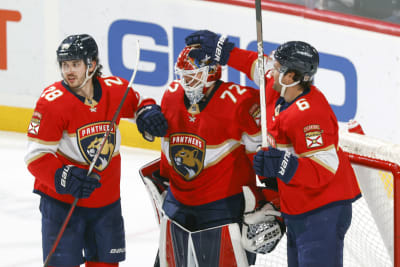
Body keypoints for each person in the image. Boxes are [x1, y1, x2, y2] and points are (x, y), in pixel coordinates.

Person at [185, 30, 362, 267]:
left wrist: (282, 164)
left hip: (323, 211)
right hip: (299, 206)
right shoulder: (277, 87)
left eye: (277, 67)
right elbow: (256, 65)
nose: (270, 70)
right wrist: (225, 52)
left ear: (291, 77)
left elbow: (325, 168)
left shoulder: (311, 114)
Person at [24, 34, 168, 267]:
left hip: (106, 201)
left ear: (91, 65)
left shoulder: (114, 89)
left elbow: (140, 101)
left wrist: (147, 112)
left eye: (75, 64)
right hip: (63, 203)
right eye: (64, 65)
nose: (68, 71)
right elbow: (35, 155)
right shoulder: (52, 102)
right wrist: (63, 177)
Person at [142, 43, 285, 266]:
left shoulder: (240, 102)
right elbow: (167, 157)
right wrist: (146, 111)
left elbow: (275, 89)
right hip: (177, 211)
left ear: (211, 71)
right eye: (183, 75)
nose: (186, 81)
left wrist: (273, 199)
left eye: (193, 75)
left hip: (222, 215)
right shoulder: (171, 95)